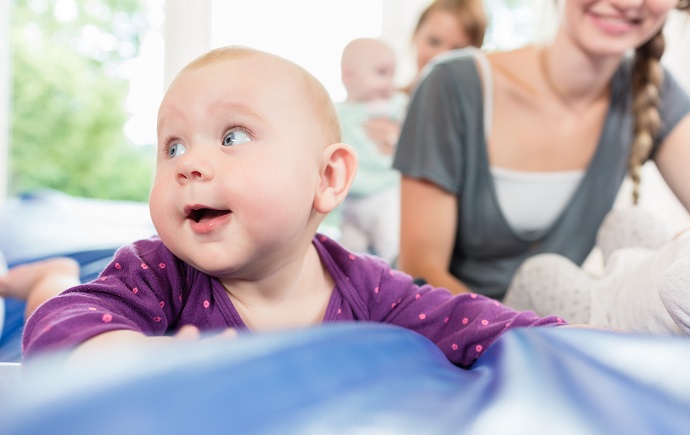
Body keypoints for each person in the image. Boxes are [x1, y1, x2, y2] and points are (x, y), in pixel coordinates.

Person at [21, 46, 565, 368]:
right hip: (72, 293)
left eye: (233, 137)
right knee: (58, 290)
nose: (188, 164)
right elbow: (62, 321)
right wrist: (122, 356)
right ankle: (51, 273)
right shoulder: (159, 270)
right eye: (173, 147)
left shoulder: (367, 288)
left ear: (327, 179)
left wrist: (573, 340)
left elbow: (466, 322)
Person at [393, 0, 690, 300]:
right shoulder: (451, 84)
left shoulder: (654, 93)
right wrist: (540, 334)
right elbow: (421, 271)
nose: (627, 2)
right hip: (453, 332)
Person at [336, 38, 408, 264]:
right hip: (350, 201)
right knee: (350, 254)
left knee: (392, 247)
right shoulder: (336, 112)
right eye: (381, 73)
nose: (389, 83)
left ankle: (400, 291)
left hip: (385, 194)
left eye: (392, 75)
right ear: (349, 76)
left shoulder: (394, 104)